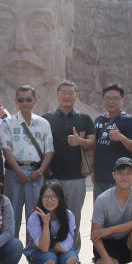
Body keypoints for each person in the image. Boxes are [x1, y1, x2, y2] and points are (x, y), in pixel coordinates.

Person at [0, 0, 75, 112]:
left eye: (38, 26)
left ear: (68, 41)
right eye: (6, 23)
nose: (20, 43)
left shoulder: (88, 120)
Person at [43, 80, 96, 246]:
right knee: (52, 216)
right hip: (52, 178)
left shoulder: (84, 118)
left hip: (76, 177)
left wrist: (80, 141)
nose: (67, 96)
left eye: (71, 93)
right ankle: (52, 249)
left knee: (74, 217)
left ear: (76, 95)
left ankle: (72, 251)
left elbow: (92, 142)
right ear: (57, 95)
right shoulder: (46, 119)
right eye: (63, 93)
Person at [1, 85, 54, 238]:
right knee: (12, 215)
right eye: (21, 99)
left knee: (35, 215)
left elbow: (49, 150)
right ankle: (13, 250)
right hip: (14, 173)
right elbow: (6, 149)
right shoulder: (7, 123)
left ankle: (33, 250)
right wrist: (19, 171)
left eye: (28, 99)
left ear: (35, 101)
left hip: (36, 173)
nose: (25, 102)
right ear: (16, 101)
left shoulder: (44, 123)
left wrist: (40, 171)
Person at [24, 180, 79, 264]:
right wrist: (45, 224)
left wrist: (53, 245)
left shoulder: (69, 215)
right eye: (46, 197)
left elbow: (67, 245)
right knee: (49, 258)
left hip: (62, 251)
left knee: (72, 259)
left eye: (53, 197)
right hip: (42, 253)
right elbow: (44, 248)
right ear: (41, 198)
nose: (49, 200)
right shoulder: (34, 217)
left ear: (60, 198)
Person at [93, 83, 132, 199]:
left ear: (122, 100)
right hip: (99, 177)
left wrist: (121, 137)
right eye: (108, 98)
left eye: (115, 99)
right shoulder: (98, 120)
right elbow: (95, 147)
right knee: (99, 209)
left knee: (118, 209)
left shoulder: (129, 121)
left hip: (120, 178)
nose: (111, 102)